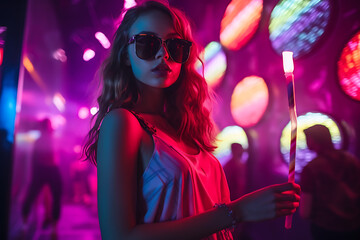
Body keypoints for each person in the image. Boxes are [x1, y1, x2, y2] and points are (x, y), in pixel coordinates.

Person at [83, 1, 300, 239]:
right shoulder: (123, 123)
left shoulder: (184, 128)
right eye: (147, 43)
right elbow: (118, 236)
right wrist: (238, 211)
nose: (163, 54)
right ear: (125, 54)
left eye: (175, 46)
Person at [300, 124, 360, 240]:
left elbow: (305, 212)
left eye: (307, 138)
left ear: (312, 140)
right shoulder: (352, 160)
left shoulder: (311, 169)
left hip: (326, 230)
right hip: (354, 227)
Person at [21, 118, 62, 237]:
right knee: (31, 196)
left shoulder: (51, 139)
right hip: (44, 169)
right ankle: (25, 225)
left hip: (49, 169)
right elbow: (34, 158)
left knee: (54, 197)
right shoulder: (43, 140)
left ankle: (52, 227)